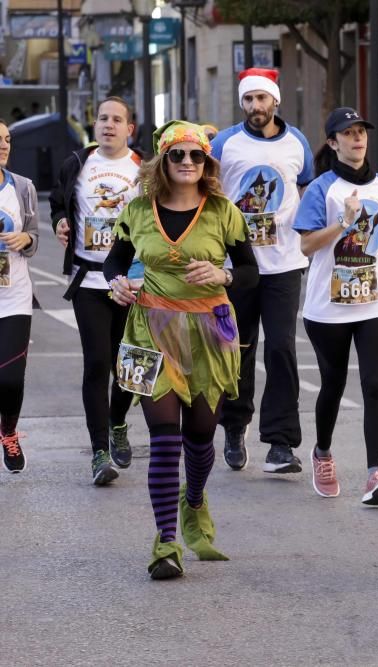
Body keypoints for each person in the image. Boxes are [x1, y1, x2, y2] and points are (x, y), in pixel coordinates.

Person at [104, 120, 259, 580]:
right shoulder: (137, 210)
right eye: (178, 155)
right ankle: (166, 542)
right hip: (149, 327)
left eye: (196, 156)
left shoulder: (222, 212)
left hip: (209, 332)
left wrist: (223, 276)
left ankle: (193, 500)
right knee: (165, 437)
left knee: (199, 435)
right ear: (162, 162)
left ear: (207, 163)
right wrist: (116, 281)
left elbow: (251, 271)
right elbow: (116, 257)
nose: (187, 163)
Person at [293, 107, 378, 505]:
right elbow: (305, 246)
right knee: (334, 384)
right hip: (329, 303)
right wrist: (343, 222)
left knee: (374, 384)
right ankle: (322, 452)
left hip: (376, 297)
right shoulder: (322, 188)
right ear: (333, 142)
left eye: (362, 131)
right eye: (348, 133)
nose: (358, 138)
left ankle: (376, 473)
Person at [211, 68, 313, 474]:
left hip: (284, 264)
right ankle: (235, 426)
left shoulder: (297, 142)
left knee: (282, 349)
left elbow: (304, 192)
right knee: (239, 348)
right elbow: (210, 193)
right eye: (249, 100)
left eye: (262, 99)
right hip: (237, 266)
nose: (256, 106)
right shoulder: (225, 143)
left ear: (275, 101)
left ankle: (281, 442)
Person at [50, 97, 144, 485]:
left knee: (130, 365)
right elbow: (59, 201)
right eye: (103, 118)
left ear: (129, 129)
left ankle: (118, 419)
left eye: (116, 119)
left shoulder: (145, 167)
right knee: (97, 363)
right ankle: (99, 451)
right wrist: (59, 222)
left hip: (133, 280)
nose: (108, 124)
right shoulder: (78, 163)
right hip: (89, 280)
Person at [0, 120, 40, 473]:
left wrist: (25, 240)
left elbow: (33, 236)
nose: (3, 146)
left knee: (10, 378)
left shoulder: (23, 187)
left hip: (14, 295)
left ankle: (9, 431)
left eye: (7, 140)